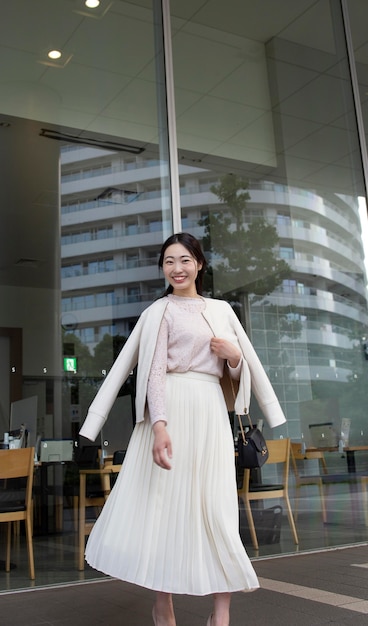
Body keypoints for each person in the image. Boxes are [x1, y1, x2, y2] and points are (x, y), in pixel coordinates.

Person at [79, 232, 286, 626]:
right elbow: (154, 373)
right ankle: (164, 604)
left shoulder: (222, 310)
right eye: (169, 261)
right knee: (165, 509)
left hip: (209, 412)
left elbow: (240, 372)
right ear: (163, 267)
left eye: (185, 260)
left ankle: (220, 613)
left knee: (218, 508)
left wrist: (235, 357)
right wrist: (159, 426)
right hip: (170, 411)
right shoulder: (159, 311)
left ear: (200, 264)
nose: (177, 268)